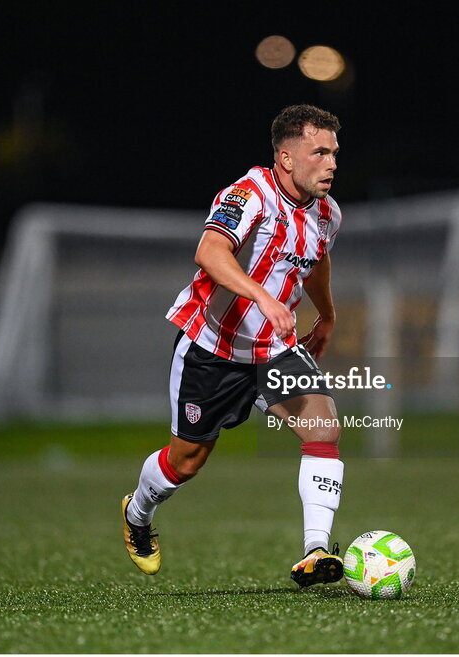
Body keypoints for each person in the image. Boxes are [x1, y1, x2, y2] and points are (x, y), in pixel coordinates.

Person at [122, 105, 346, 588]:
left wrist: (325, 314)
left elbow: (317, 259)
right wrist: (263, 296)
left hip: (273, 348)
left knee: (323, 428)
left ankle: (316, 550)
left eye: (334, 153)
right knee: (187, 461)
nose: (331, 163)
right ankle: (138, 513)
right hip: (212, 347)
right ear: (286, 158)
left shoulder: (328, 213)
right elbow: (209, 251)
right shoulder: (248, 195)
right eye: (319, 153)